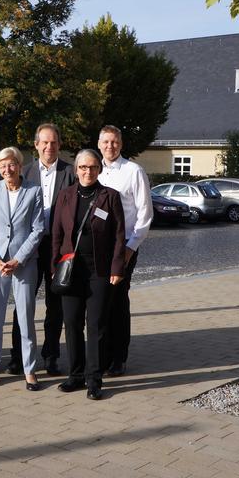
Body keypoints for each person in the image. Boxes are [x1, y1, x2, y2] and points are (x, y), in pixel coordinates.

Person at [52, 149, 126, 400]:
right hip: (71, 270)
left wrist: (117, 268)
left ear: (99, 170)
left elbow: (118, 236)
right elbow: (57, 235)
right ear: (76, 170)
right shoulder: (65, 196)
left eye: (93, 167)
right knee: (71, 324)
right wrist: (54, 267)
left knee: (96, 326)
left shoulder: (110, 197)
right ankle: (75, 375)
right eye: (83, 167)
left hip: (100, 270)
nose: (87, 171)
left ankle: (94, 379)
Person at [9, 123, 76, 376]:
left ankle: (50, 356)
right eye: (44, 142)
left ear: (59, 145)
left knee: (55, 304)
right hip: (29, 247)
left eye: (54, 142)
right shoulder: (24, 173)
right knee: (23, 303)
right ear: (36, 145)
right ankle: (18, 356)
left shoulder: (71, 173)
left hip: (58, 249)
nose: (49, 147)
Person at [0, 147, 44, 391]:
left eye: (12, 164)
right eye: (2, 166)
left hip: (23, 264)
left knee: (26, 318)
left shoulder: (33, 191)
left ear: (19, 165)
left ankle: (29, 369)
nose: (7, 169)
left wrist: (18, 259)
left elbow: (38, 230)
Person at [97, 125, 153, 377]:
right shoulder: (91, 170)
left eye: (115, 142)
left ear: (121, 144)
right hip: (97, 250)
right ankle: (101, 355)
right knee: (99, 302)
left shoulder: (133, 172)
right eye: (106, 142)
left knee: (118, 302)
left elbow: (145, 214)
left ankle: (118, 357)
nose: (110, 146)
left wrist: (131, 248)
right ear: (99, 144)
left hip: (124, 249)